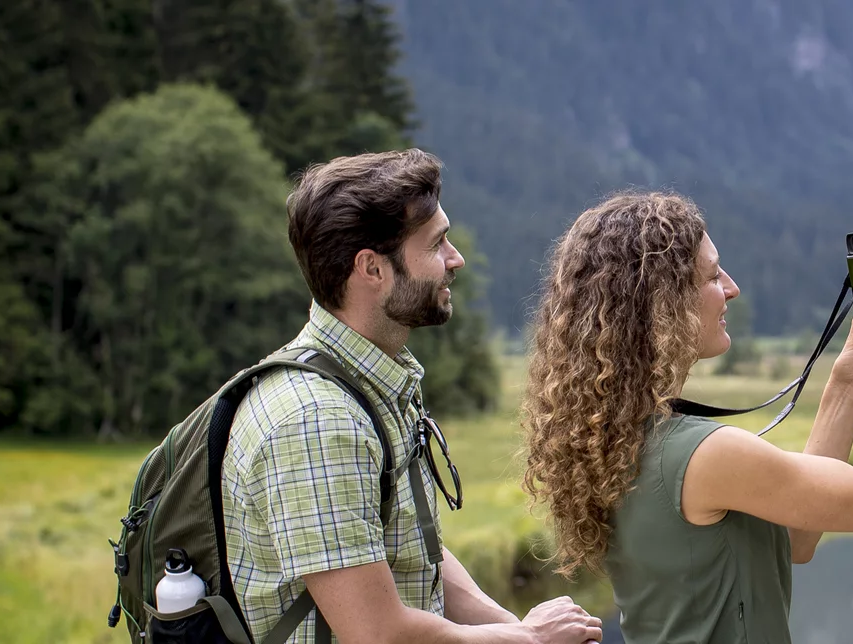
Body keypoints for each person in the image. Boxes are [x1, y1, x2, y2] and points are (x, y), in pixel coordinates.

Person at [519, 191, 853, 643]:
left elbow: (796, 537)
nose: (732, 287)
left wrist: (845, 391)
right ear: (664, 303)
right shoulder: (704, 454)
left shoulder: (624, 440)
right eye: (713, 275)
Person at [222, 149, 604, 644]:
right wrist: (529, 640)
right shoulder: (318, 420)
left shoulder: (370, 385)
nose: (455, 259)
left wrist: (513, 628)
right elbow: (376, 633)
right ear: (372, 269)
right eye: (437, 243)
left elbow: (416, 552)